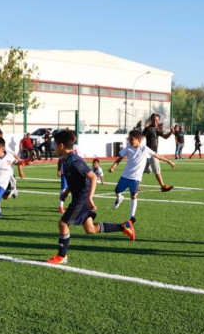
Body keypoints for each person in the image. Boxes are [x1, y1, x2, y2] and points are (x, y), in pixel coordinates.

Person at [45, 130, 134, 265]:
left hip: (82, 197)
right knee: (90, 229)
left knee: (63, 223)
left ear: (61, 146)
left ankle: (62, 256)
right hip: (79, 197)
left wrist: (90, 198)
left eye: (55, 144)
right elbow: (75, 180)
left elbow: (92, 176)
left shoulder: (75, 161)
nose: (53, 147)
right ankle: (124, 226)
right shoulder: (65, 160)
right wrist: (66, 192)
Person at [108, 128, 177, 223]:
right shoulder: (128, 148)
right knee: (117, 190)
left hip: (136, 178)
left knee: (133, 195)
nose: (130, 141)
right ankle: (119, 197)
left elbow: (157, 155)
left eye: (132, 139)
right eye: (129, 139)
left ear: (138, 140)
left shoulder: (145, 149)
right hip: (125, 176)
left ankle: (132, 216)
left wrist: (169, 161)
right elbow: (119, 159)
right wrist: (113, 167)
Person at [142, 113, 175, 191]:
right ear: (151, 120)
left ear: (159, 120)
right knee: (157, 169)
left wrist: (171, 132)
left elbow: (165, 137)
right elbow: (141, 138)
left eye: (156, 120)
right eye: (153, 120)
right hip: (150, 153)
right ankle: (163, 186)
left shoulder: (157, 129)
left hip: (151, 153)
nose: (155, 121)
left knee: (142, 170)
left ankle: (134, 184)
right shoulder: (147, 129)